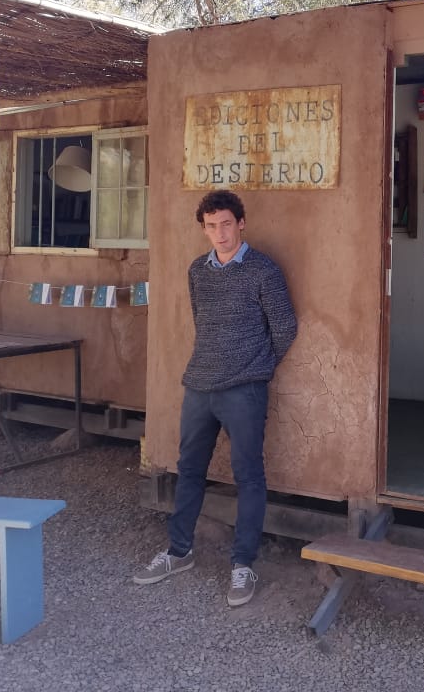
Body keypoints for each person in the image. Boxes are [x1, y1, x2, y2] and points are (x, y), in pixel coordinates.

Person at [134, 190, 297, 607]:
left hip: (245, 389)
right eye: (211, 226)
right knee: (189, 469)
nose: (220, 233)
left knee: (249, 476)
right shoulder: (197, 271)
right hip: (200, 386)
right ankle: (178, 552)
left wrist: (256, 366)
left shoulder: (264, 271)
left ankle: (243, 564)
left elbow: (285, 329)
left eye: (226, 223)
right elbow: (203, 323)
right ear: (204, 228)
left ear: (241, 223)